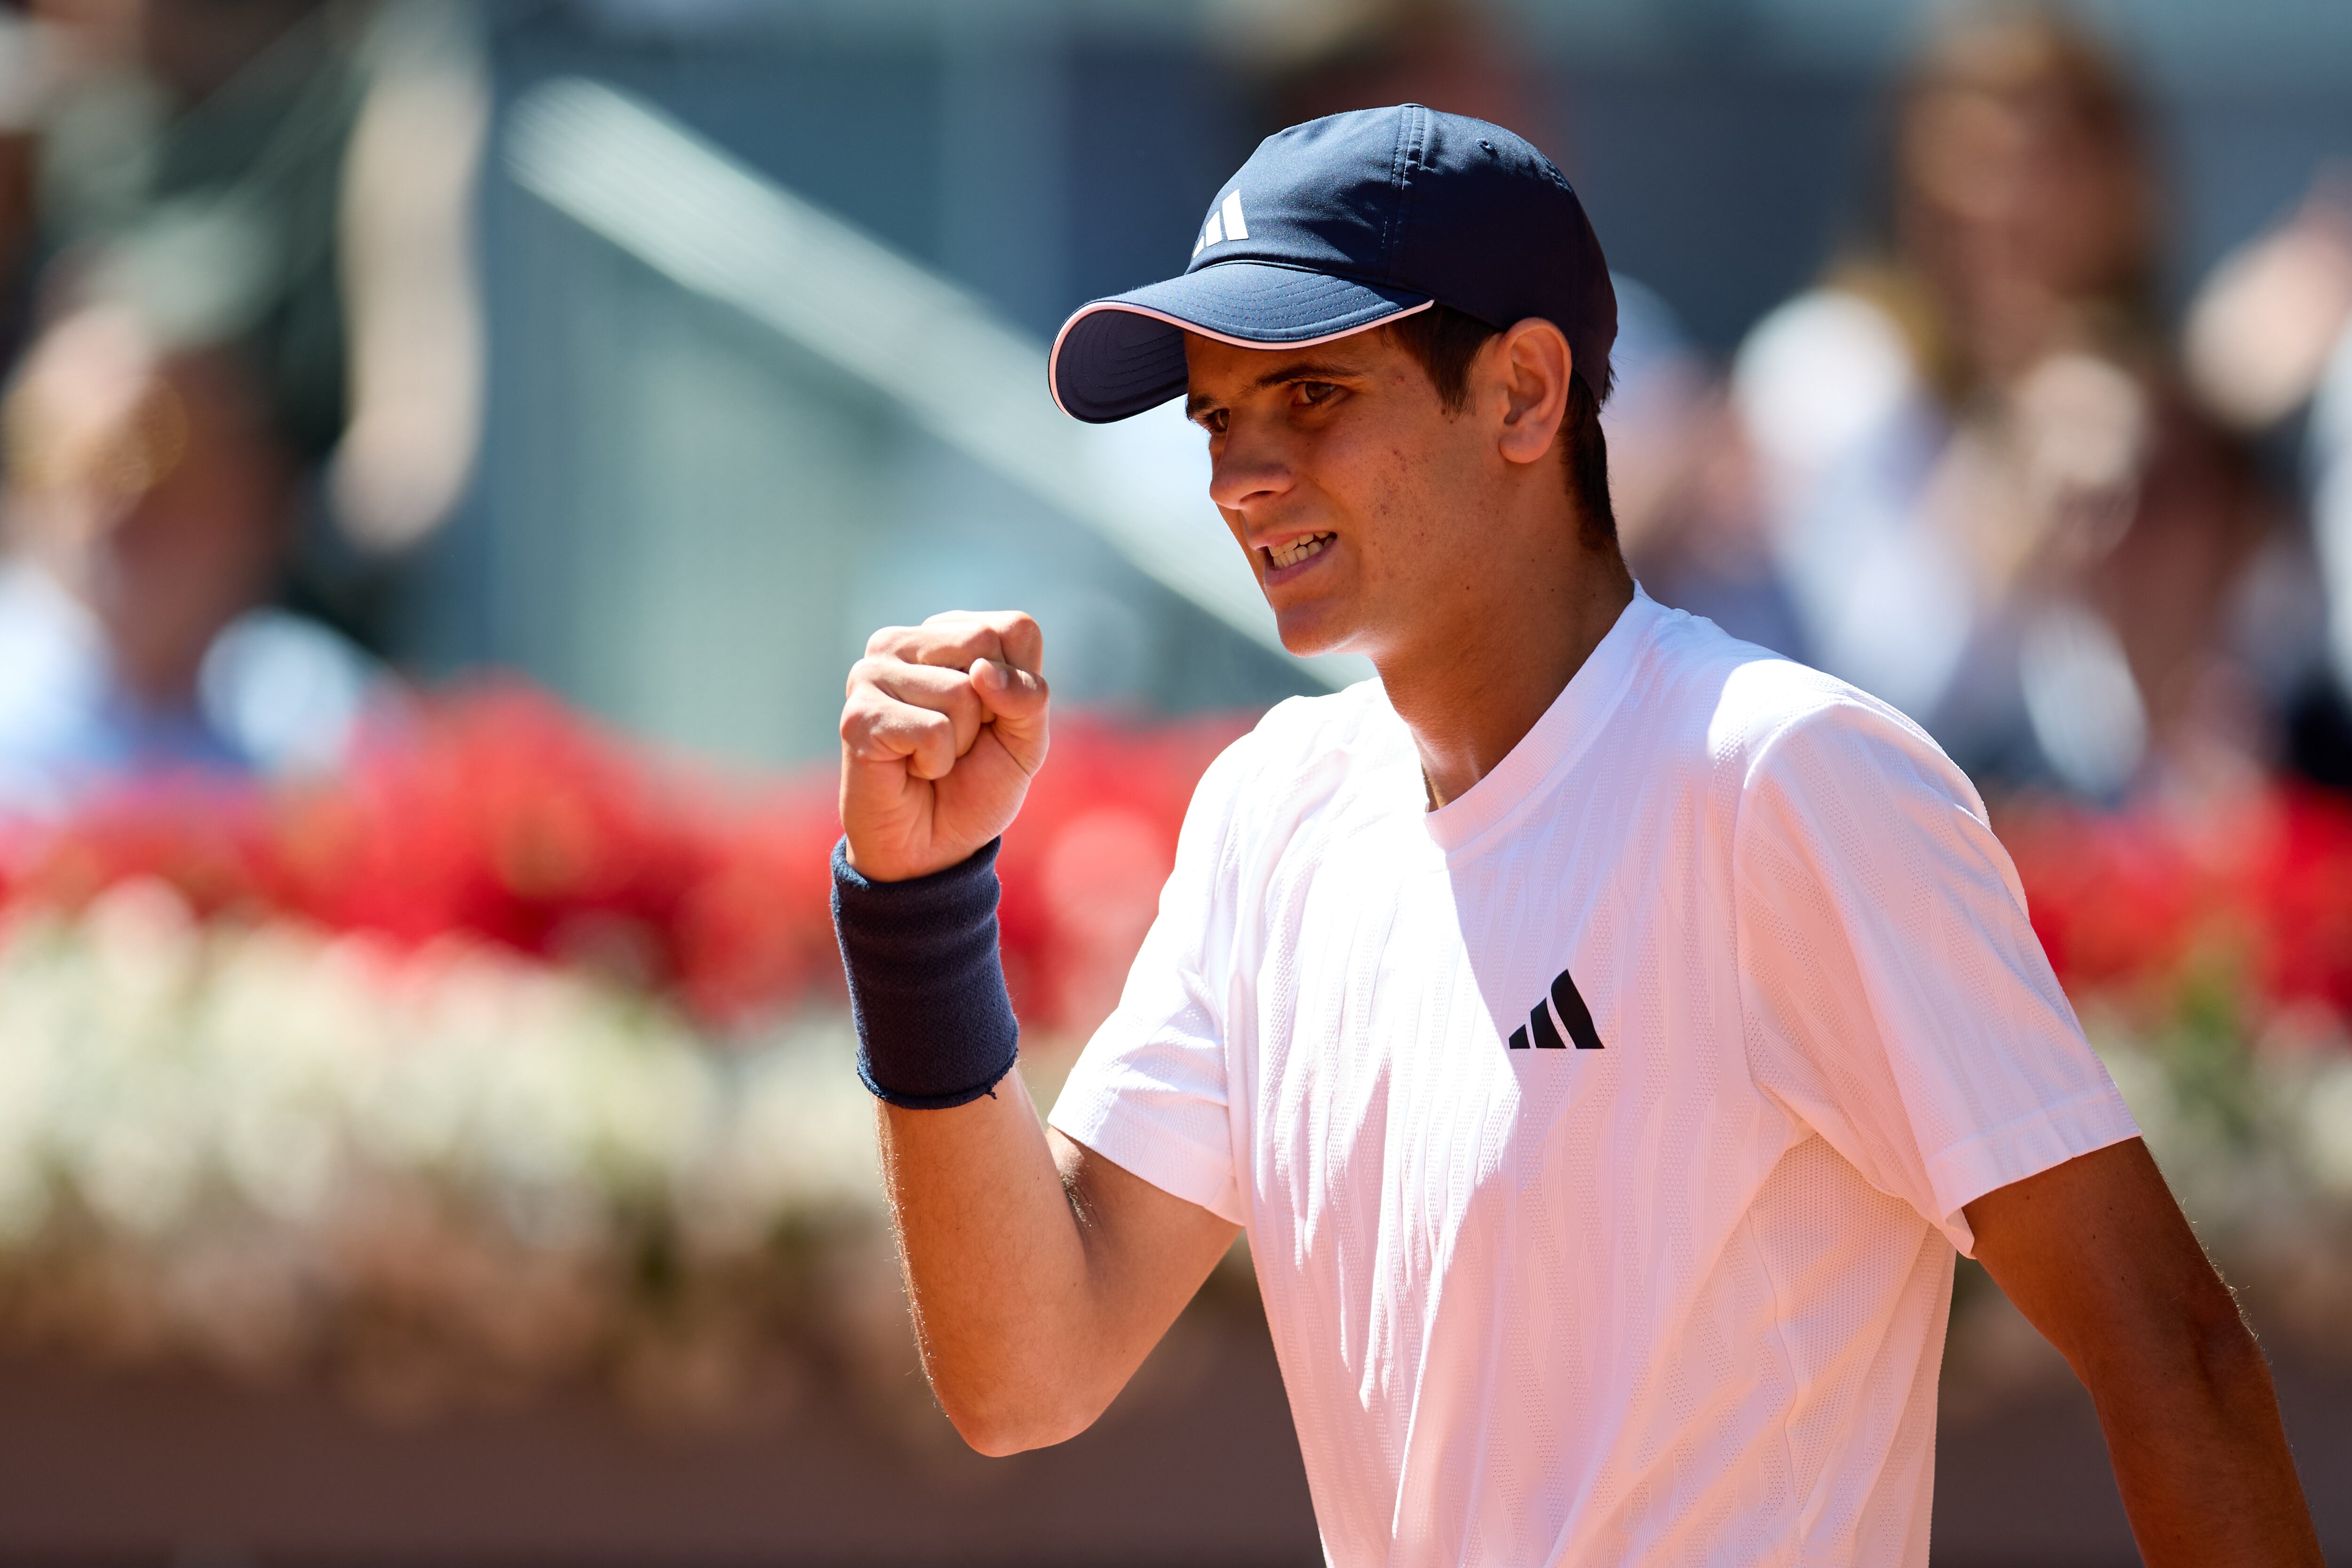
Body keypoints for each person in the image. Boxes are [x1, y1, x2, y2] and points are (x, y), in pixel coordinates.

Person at [830, 105, 2319, 1565]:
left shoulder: (1788, 777)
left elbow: (2171, 1350)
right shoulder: (1268, 809)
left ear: (1527, 395)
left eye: (1316, 397)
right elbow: (1027, 1372)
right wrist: (917, 902)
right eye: (1220, 415)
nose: (1239, 475)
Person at [1732, 7, 2274, 800]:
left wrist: (2213, 425)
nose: (2014, 206)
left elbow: (2236, 685)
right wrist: (2016, 473)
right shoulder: (1836, 367)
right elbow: (1895, 691)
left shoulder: (2138, 385)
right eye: (1977, 165)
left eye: (2053, 164)